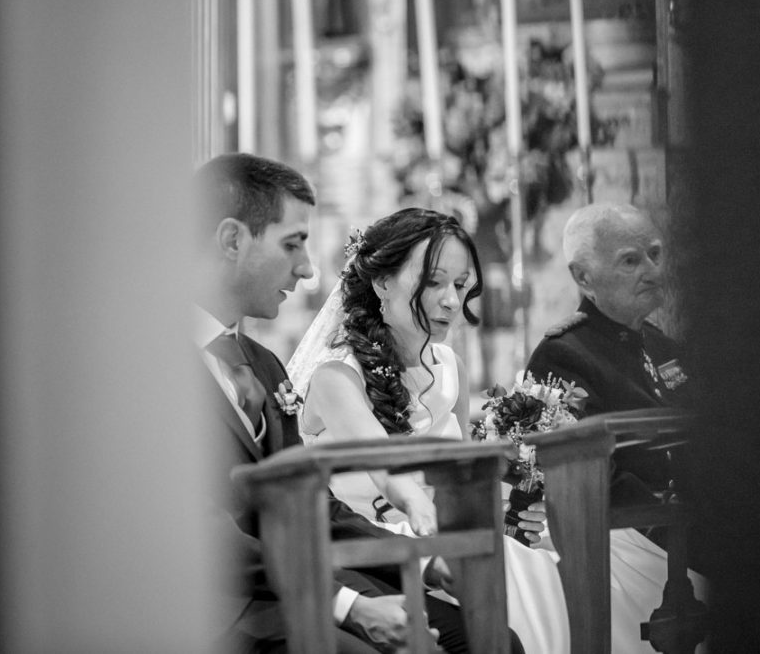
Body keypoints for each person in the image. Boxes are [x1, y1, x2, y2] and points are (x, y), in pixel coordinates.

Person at [290, 207, 681, 654]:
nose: (452, 302)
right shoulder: (336, 378)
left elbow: (465, 475)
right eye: (433, 282)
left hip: (451, 532)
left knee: (567, 583)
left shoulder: (450, 368)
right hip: (376, 544)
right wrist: (425, 513)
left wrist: (520, 500)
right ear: (381, 282)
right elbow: (390, 471)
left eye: (460, 285)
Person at [192, 154, 509, 654]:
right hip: (216, 606)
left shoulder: (264, 364)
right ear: (232, 240)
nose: (309, 269)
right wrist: (349, 606)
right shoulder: (152, 371)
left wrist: (424, 561)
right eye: (293, 243)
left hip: (300, 575)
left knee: (485, 636)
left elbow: (315, 505)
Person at [526, 202, 693, 501]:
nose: (653, 272)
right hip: (622, 533)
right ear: (583, 277)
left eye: (655, 255)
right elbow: (585, 478)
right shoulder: (563, 357)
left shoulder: (662, 345)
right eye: (630, 261)